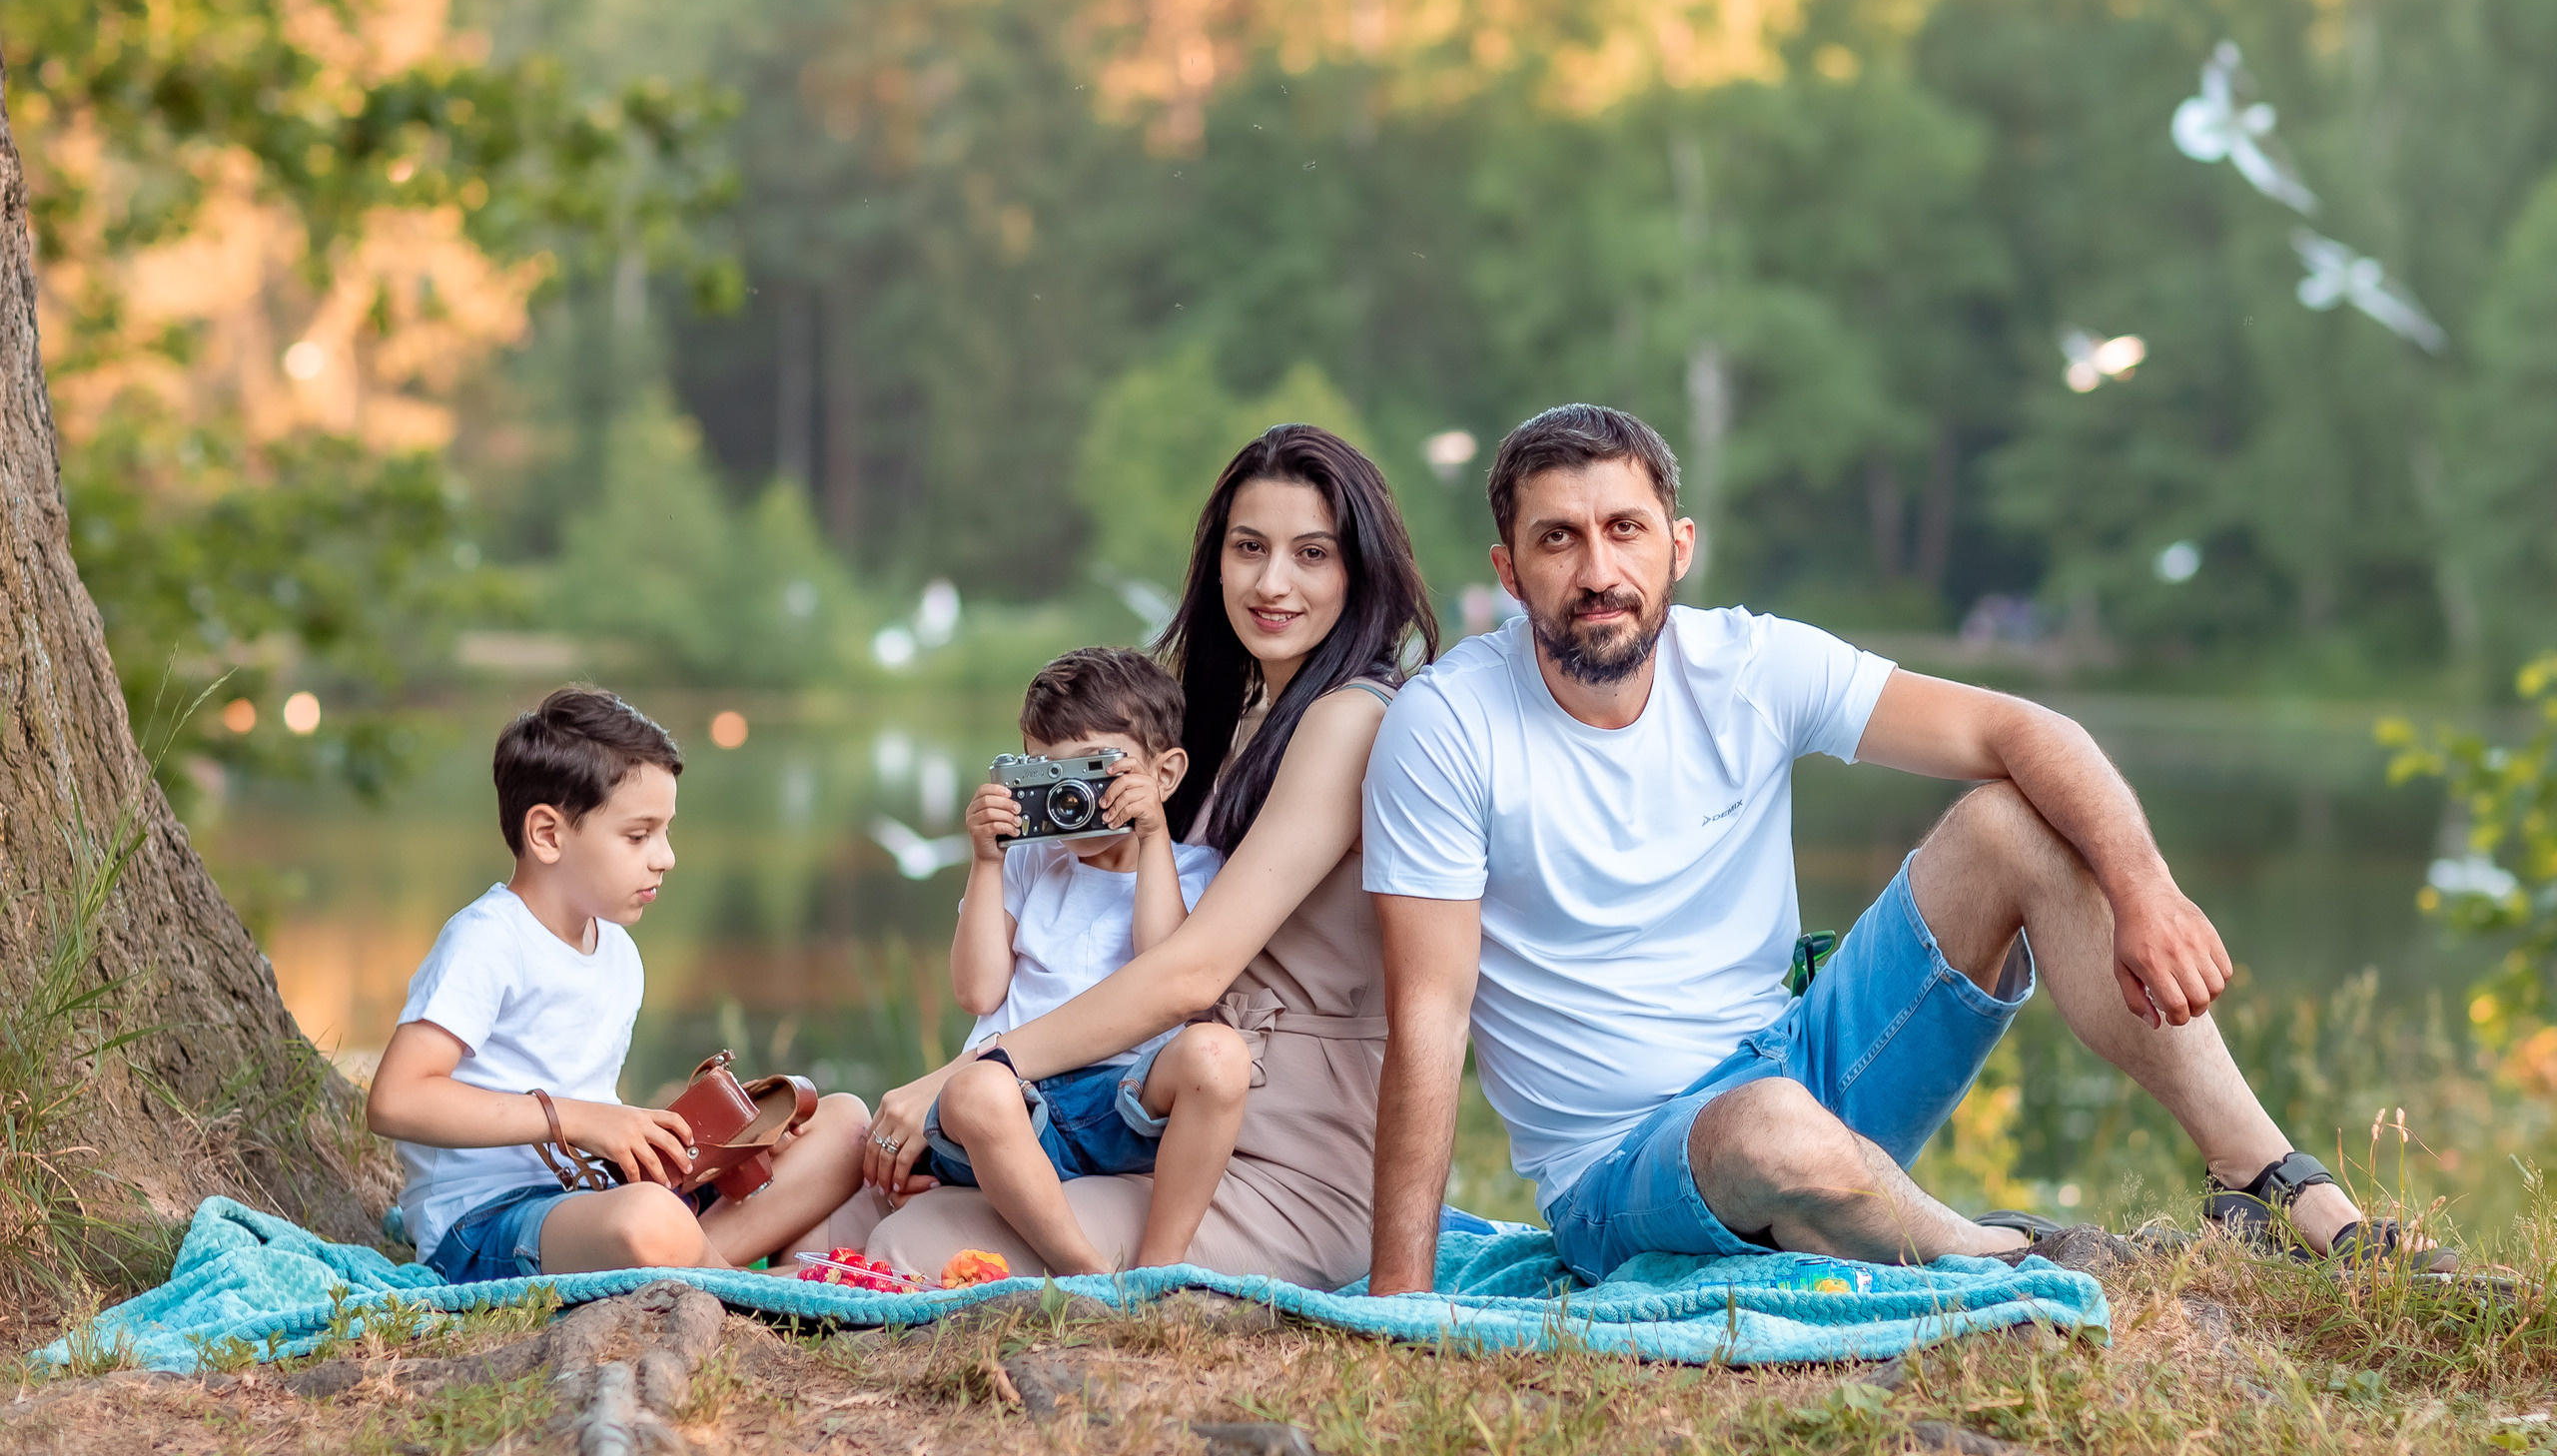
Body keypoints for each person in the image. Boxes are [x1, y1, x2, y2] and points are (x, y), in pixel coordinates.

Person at [1361, 403, 2441, 1294]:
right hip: (1623, 1174)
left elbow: (2022, 728)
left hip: (1808, 1062)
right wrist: (1402, 1296)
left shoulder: (1747, 666)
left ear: (1677, 546)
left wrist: (2144, 888)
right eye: (1559, 539)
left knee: (2011, 820)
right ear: (1510, 571)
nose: (1599, 568)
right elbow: (1428, 1019)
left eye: (1624, 529)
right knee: (1772, 1130)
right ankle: (2011, 1258)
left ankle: (2262, 1180)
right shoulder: (1450, 727)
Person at [830, 424, 1438, 1286]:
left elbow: (1191, 972)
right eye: (1249, 548)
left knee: (912, 1243)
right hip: (1152, 1119)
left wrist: (968, 1070)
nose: (1272, 582)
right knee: (868, 1201)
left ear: (1360, 570)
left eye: (1312, 554)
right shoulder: (1240, 720)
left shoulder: (1351, 717)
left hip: (1283, 1158)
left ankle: (1147, 1299)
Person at [368, 685, 869, 1281]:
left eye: (666, 832)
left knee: (843, 1124)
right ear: (548, 835)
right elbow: (397, 1100)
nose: (666, 858)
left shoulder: (619, 952)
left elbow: (594, 1111)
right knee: (647, 1221)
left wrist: (680, 1138)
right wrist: (579, 1120)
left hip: (599, 1195)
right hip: (488, 1223)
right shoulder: (488, 940)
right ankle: (742, 1285)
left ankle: (693, 1260)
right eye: (638, 836)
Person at [923, 647, 1240, 1273]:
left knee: (1220, 1053)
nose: (1070, 795)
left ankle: (1161, 1270)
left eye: (1092, 769)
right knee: (977, 1089)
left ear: (1165, 775)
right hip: (1013, 1106)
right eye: (1046, 773)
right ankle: (1086, 1275)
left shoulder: (1198, 869)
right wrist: (987, 862)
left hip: (1121, 1104)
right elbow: (977, 992)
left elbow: (1164, 974)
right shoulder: (1028, 862)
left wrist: (1152, 836)